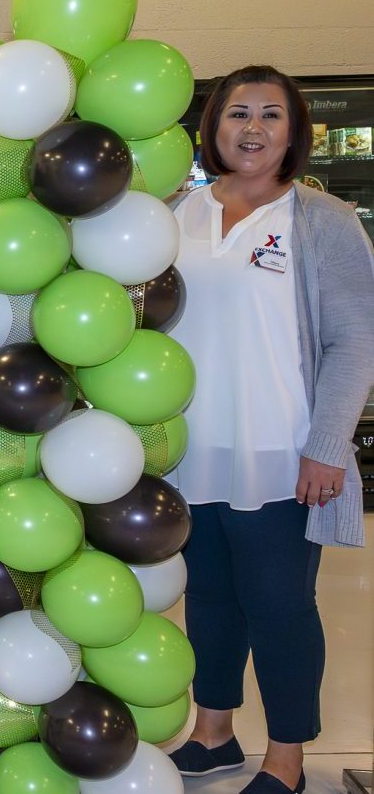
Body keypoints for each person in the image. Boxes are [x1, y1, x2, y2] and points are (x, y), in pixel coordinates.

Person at [164, 66, 374, 794]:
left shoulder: (323, 221)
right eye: (237, 113)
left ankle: (286, 757)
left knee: (282, 606)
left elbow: (354, 342)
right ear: (213, 126)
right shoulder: (179, 213)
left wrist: (326, 446)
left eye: (271, 115)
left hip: (282, 457)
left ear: (296, 132)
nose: (252, 129)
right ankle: (213, 731)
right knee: (211, 599)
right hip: (192, 453)